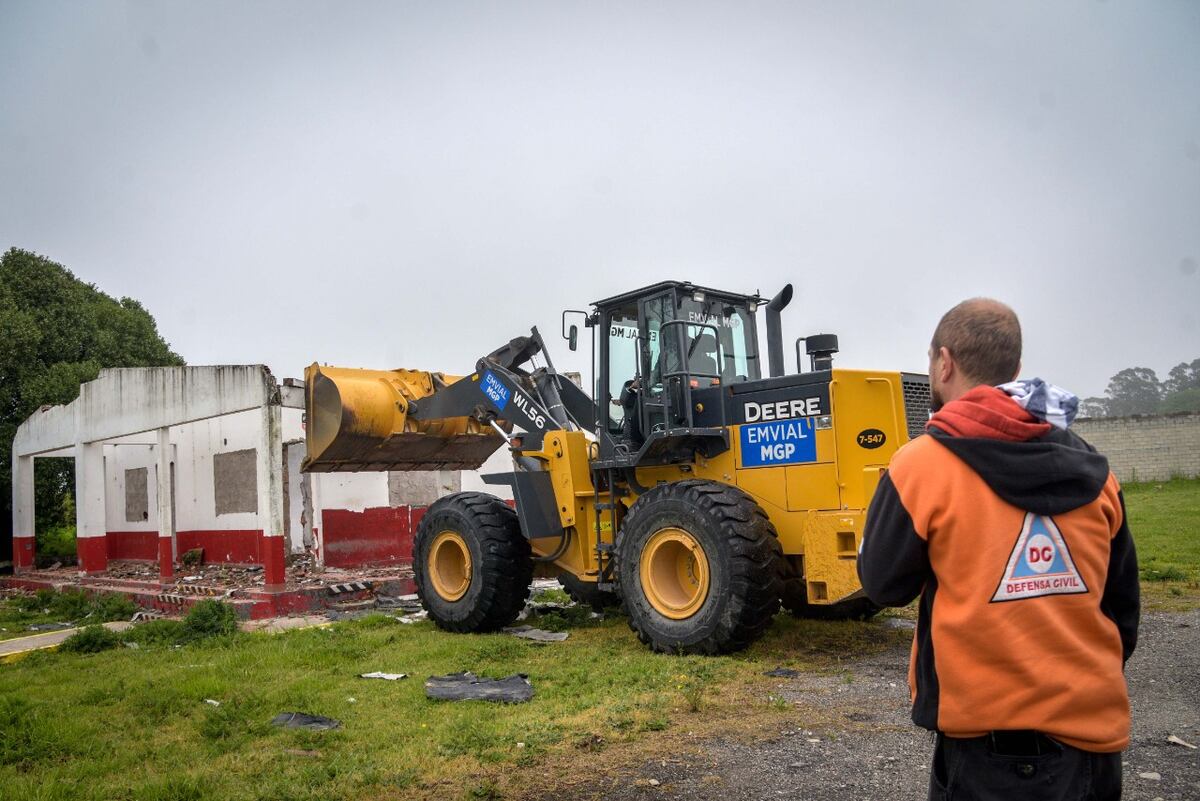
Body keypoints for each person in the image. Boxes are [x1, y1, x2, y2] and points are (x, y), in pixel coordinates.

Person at [858, 298, 1140, 801]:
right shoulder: (1097, 470)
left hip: (983, 756)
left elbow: (881, 585)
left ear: (945, 363)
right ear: (1015, 369)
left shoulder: (921, 466)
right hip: (1093, 753)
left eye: (931, 363)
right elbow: (1122, 612)